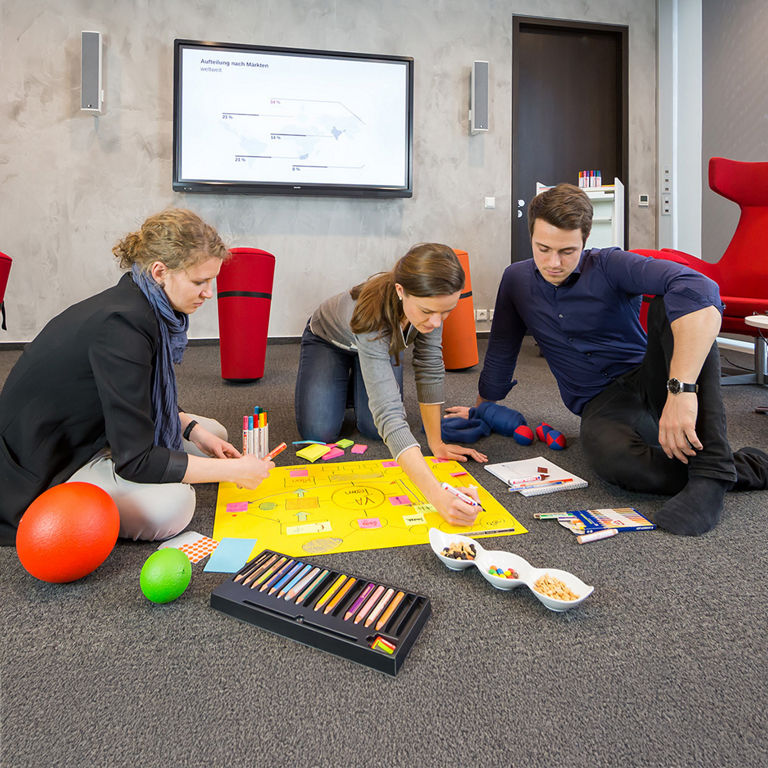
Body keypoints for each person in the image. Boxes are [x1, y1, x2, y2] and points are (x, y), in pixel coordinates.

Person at [447, 183, 768, 536]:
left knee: (678, 300)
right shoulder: (515, 280)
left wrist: (680, 391)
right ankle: (742, 465)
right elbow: (502, 349)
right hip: (601, 402)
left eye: (567, 251)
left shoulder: (610, 264)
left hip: (654, 376)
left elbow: (700, 287)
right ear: (531, 239)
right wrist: (482, 407)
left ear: (585, 240)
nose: (554, 263)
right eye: (544, 249)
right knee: (615, 462)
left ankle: (708, 474)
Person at [0, 208, 274, 546]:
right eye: (199, 282)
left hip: (96, 427)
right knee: (174, 505)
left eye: (211, 281)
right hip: (49, 463)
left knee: (213, 433)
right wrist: (235, 472)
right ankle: (69, 498)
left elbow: (136, 396)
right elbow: (136, 459)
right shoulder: (124, 327)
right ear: (160, 271)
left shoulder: (141, 301)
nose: (208, 293)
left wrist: (193, 430)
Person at [294, 243, 487, 526]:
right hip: (329, 341)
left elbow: (430, 368)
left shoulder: (433, 306)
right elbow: (389, 413)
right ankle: (349, 383)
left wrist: (437, 443)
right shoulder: (370, 315)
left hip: (381, 347)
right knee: (319, 432)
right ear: (401, 292)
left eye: (445, 312)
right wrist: (436, 496)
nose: (436, 321)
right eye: (427, 311)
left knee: (373, 430)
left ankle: (364, 380)